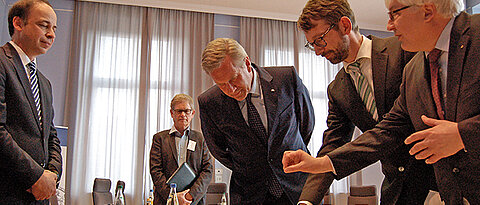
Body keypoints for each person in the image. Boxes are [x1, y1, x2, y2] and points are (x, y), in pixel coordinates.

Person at [283, 0, 480, 204]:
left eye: (320, 40)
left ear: (345, 25)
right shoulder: (412, 69)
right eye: (312, 44)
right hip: (404, 189)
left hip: (440, 180)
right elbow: (387, 131)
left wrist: (462, 135)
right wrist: (319, 167)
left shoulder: (409, 50)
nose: (389, 26)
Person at [198, 38, 315, 205]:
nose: (230, 89)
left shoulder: (286, 78)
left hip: (297, 186)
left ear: (246, 63)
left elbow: (306, 123)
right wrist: (248, 166)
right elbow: (218, 149)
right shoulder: (210, 102)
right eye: (221, 84)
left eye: (233, 79)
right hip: (249, 194)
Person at [0, 0, 62, 204]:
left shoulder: (44, 83)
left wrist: (52, 174)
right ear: (18, 23)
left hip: (39, 196)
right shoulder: (2, 63)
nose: (51, 34)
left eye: (54, 28)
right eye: (44, 25)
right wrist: (35, 176)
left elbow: (51, 136)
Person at [150, 94, 213, 205]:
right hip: (165, 200)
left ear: (192, 113)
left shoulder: (200, 139)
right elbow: (155, 171)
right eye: (179, 111)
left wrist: (190, 196)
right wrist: (172, 195)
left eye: (186, 111)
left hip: (193, 201)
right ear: (172, 113)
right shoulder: (159, 139)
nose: (183, 115)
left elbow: (207, 170)